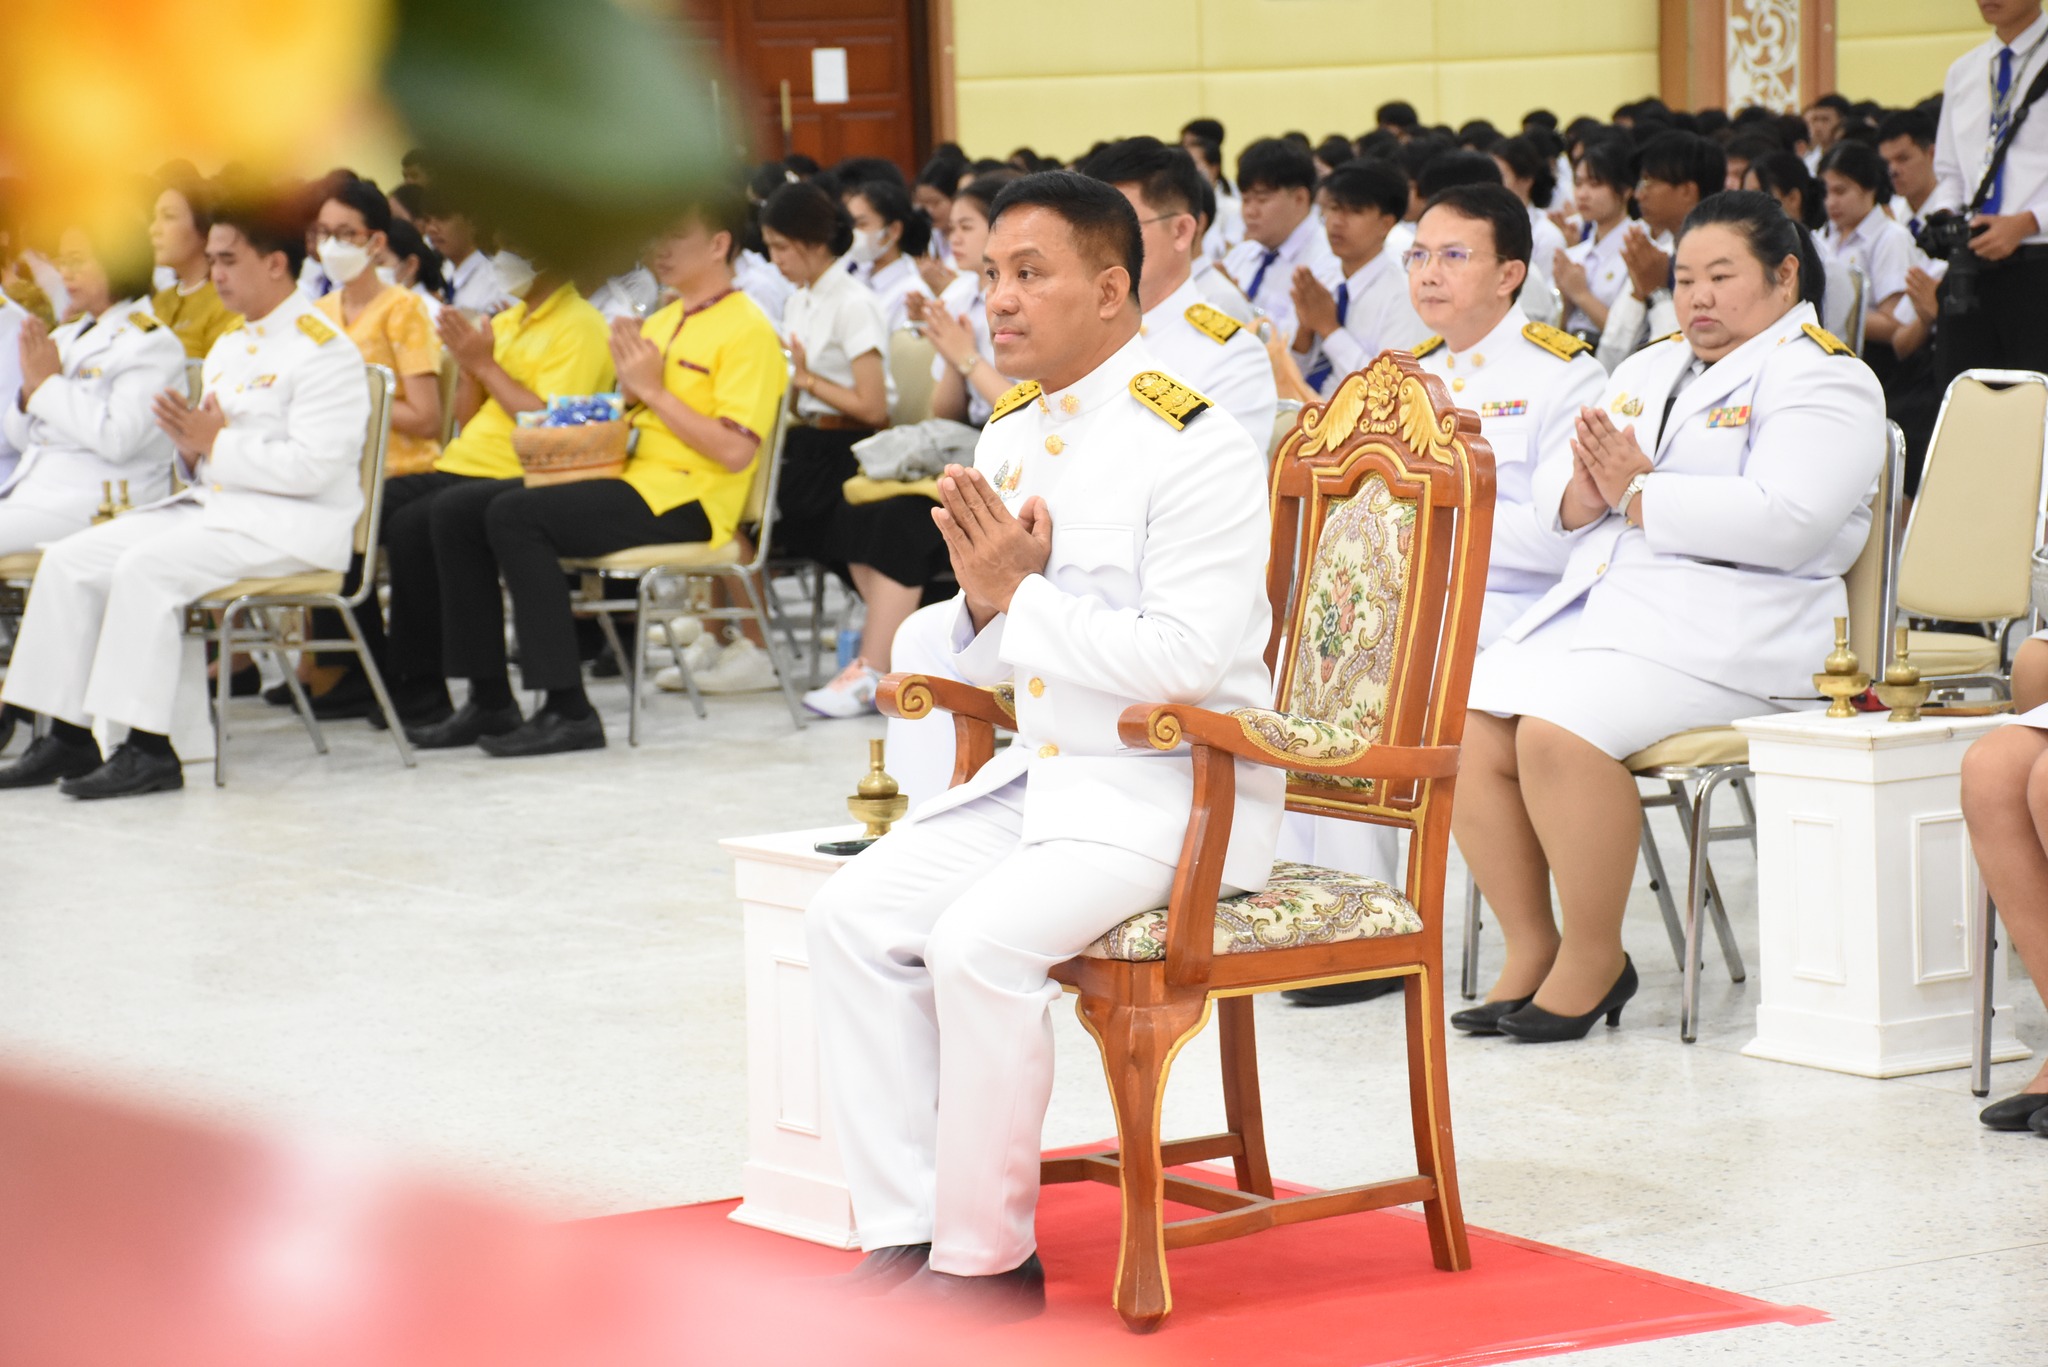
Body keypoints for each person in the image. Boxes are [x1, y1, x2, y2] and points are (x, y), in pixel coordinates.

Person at [807, 170, 1279, 1317]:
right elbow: (989, 653)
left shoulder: (1191, 439)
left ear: (1111, 290)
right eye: (989, 275)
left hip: (1172, 787)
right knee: (851, 915)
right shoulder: (1014, 428)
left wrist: (1018, 600)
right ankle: (903, 1227)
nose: (998, 302)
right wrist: (976, 612)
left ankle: (985, 1263)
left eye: (1029, 274)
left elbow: (1183, 659)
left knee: (974, 944)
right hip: (1046, 777)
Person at [1450, 191, 1883, 1042]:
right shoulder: (1647, 366)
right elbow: (1559, 492)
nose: (1698, 299)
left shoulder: (1825, 375)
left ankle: (1596, 956)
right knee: (1466, 718)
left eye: (1723, 277)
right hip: (1620, 613)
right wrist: (1587, 491)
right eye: (1685, 279)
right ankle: (1531, 945)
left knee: (1554, 733)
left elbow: (1790, 519)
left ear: (1785, 274)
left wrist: (1639, 493)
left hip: (1741, 631)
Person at [0, 189, 369, 797]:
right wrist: (193, 450)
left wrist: (213, 445)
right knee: (71, 558)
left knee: (145, 566)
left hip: (292, 526)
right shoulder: (230, 345)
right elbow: (204, 459)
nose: (216, 273)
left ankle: (148, 747)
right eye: (214, 260)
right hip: (222, 511)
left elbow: (315, 469)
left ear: (276, 263)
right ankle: (64, 733)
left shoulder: (324, 351)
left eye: (229, 260)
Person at [420, 197, 787, 755]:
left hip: (687, 498)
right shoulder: (660, 322)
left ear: (719, 245)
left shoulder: (747, 330)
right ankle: (489, 698)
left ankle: (569, 708)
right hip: (627, 477)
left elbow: (736, 451)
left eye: (676, 236)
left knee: (515, 516)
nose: (659, 249)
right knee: (457, 510)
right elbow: (626, 415)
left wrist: (656, 391)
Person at [381, 245, 613, 742]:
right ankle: (409, 680)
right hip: (465, 461)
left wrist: (486, 368)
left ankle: (478, 693)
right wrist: (469, 367)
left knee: (433, 518)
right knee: (378, 510)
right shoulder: (507, 323)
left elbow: (550, 424)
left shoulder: (581, 324)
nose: (503, 259)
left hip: (524, 468)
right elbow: (467, 418)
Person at [1407, 185, 1608, 646]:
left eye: (1453, 256)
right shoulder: (1408, 372)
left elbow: (1564, 536)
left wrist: (1425, 525)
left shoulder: (1566, 376)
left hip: (1517, 613)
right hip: (1407, 600)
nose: (1428, 274)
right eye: (1418, 256)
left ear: (1508, 275)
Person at [756, 182, 919, 719]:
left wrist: (806, 379)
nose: (774, 260)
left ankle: (882, 652)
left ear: (812, 242)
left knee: (820, 517)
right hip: (808, 441)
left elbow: (873, 407)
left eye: (782, 247)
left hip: (847, 444)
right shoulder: (801, 297)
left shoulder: (853, 302)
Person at [0, 220, 184, 557]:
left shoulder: (151, 344)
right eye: (63, 262)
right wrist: (29, 395)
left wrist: (48, 385)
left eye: (78, 260)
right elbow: (20, 437)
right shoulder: (64, 337)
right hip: (41, 494)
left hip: (102, 500)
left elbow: (117, 438)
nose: (66, 273)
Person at [1928, 0, 2048, 384]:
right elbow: (1950, 172)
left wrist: (2029, 222)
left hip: (2039, 262)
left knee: (2037, 409)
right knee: (1965, 398)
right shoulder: (1964, 71)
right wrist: (1946, 214)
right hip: (1972, 265)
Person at [1290, 159, 1425, 395]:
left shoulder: (1404, 294)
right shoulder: (1323, 276)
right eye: (1333, 208)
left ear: (1386, 224)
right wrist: (1305, 330)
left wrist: (1329, 329)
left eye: (1354, 211)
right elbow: (1293, 373)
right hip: (1305, 411)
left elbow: (1390, 391)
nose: (1337, 222)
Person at [1597, 132, 1727, 367]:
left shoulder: (1724, 262)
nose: (1639, 194)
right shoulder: (1656, 255)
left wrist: (1657, 293)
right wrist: (1639, 293)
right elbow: (1609, 357)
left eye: (1649, 181)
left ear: (1688, 191)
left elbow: (1679, 360)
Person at [1222, 138, 1340, 340]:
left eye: (1261, 199)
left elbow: (1300, 353)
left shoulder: (1327, 261)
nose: (1249, 211)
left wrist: (1239, 308)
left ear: (1300, 198)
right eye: (1245, 200)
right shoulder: (1243, 254)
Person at [924, 176, 1011, 427]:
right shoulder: (956, 295)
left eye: (966, 227)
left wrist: (966, 357)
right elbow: (945, 413)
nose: (955, 239)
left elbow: (1028, 411)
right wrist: (954, 359)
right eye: (952, 228)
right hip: (971, 432)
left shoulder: (1021, 300)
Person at [1818, 141, 1912, 354]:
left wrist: (1825, 314)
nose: (1831, 202)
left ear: (1869, 189)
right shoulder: (1824, 235)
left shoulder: (1890, 238)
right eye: (1826, 193)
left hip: (1875, 358)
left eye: (1840, 191)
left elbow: (1894, 324)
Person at [148, 170, 241, 361]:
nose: (154, 229)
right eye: (154, 217)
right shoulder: (159, 302)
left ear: (203, 225)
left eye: (169, 217)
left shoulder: (225, 302)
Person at [1552, 135, 1636, 341]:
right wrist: (1567, 299)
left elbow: (1627, 340)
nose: (1582, 194)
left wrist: (1581, 294)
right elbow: (1558, 329)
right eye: (1578, 183)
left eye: (1595, 184)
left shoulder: (1639, 254)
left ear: (1625, 190)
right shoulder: (1575, 253)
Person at [843, 180, 935, 335]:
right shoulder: (856, 274)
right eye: (850, 225)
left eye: (862, 224)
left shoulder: (912, 291)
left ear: (894, 230)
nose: (854, 233)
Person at [419, 187, 510, 315]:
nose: (431, 229)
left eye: (442, 217)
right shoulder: (446, 276)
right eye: (427, 220)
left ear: (472, 222)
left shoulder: (496, 280)